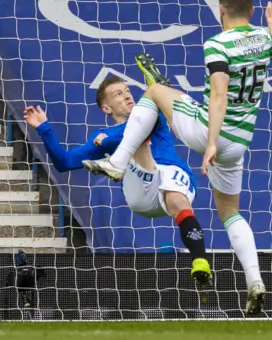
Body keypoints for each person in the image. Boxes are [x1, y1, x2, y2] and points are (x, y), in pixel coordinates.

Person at [82, 0, 272, 315]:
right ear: (252, 11)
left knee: (153, 91)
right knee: (230, 213)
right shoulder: (263, 38)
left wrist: (208, 143)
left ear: (221, 10)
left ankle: (118, 162)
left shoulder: (217, 44)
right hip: (238, 144)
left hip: (211, 131)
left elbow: (219, 96)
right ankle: (254, 280)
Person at [24, 74, 211, 286]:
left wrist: (108, 141)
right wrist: (44, 128)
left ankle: (200, 260)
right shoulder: (103, 135)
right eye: (118, 94)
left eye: (128, 91)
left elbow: (139, 128)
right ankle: (116, 164)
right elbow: (64, 162)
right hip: (139, 190)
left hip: (169, 174)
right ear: (106, 109)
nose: (127, 96)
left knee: (178, 200)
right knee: (138, 141)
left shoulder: (150, 113)